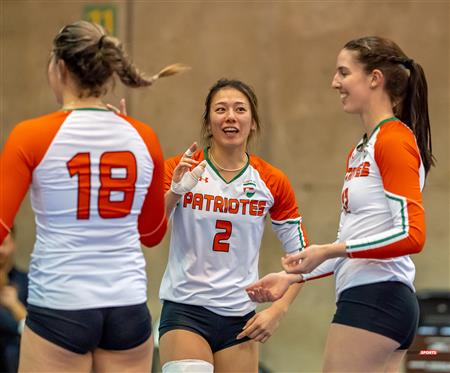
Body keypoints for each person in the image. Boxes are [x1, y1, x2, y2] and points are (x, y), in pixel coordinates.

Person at [0, 20, 187, 372]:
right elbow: (152, 234)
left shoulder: (31, 135)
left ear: (60, 67)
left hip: (60, 305)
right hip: (127, 308)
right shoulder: (142, 137)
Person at [247, 36, 434, 372]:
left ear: (374, 79)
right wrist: (293, 277)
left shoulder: (393, 140)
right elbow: (352, 241)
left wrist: (332, 250)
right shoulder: (364, 147)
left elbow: (412, 235)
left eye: (344, 73)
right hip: (370, 298)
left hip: (377, 299)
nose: (335, 82)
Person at [158, 79, 309, 373]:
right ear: (208, 121)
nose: (230, 116)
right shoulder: (182, 168)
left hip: (239, 317)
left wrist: (278, 310)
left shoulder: (271, 181)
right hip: (185, 310)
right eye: (221, 109)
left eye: (240, 109)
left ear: (252, 123)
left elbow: (303, 257)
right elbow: (148, 229)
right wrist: (175, 191)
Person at [0, 227, 28, 373]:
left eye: (3, 243)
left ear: (13, 244)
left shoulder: (28, 283)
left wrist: (15, 306)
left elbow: (41, 332)